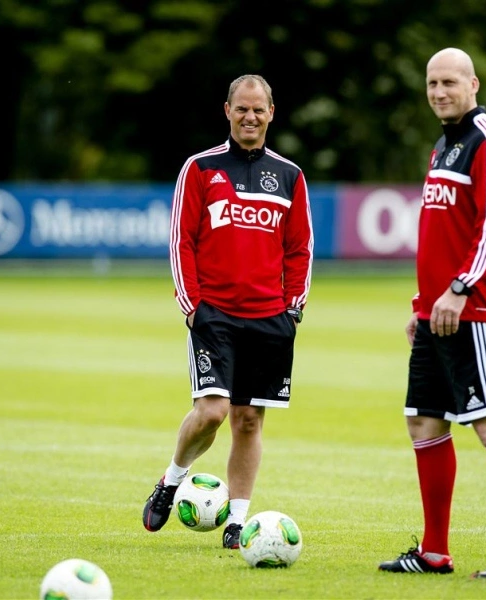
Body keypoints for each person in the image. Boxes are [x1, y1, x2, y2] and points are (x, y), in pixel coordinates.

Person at [378, 48, 486, 579]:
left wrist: (459, 288)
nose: (439, 92)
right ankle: (434, 552)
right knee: (423, 420)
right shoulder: (442, 146)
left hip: (477, 310)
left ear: (473, 84)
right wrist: (421, 305)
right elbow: (438, 236)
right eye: (432, 83)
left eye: (449, 82)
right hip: (440, 313)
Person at [142, 74, 314, 549]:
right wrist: (193, 305)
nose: (250, 117)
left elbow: (300, 248)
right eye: (242, 108)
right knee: (213, 412)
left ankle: (238, 522)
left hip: (270, 318)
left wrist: (293, 309)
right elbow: (182, 240)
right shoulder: (200, 168)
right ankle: (172, 478)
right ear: (227, 111)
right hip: (214, 313)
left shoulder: (289, 175)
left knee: (249, 421)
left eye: (258, 109)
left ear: (271, 113)